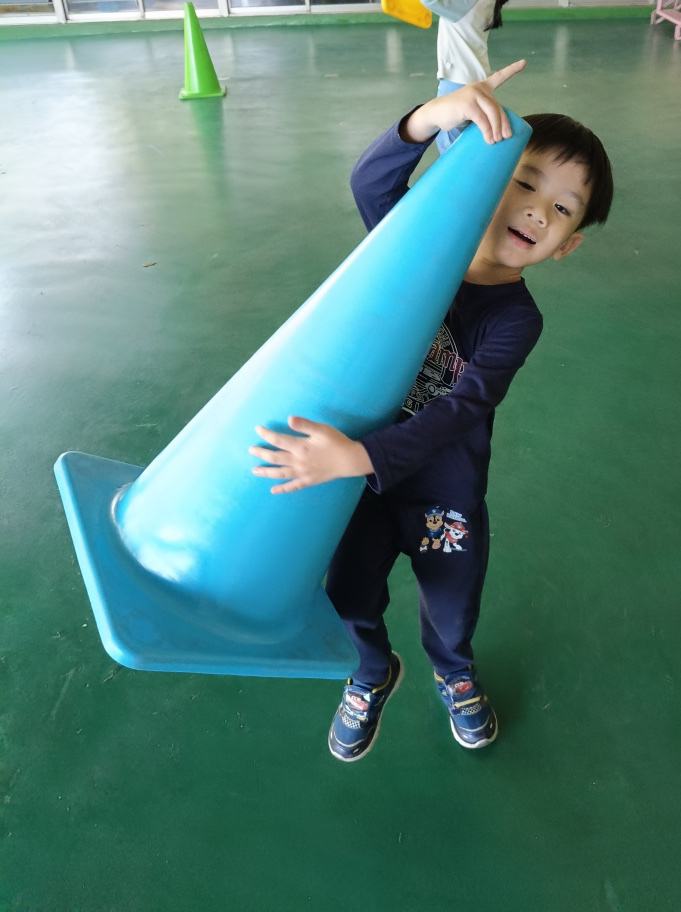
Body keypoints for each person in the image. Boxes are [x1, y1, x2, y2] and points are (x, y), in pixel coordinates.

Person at [249, 59, 614, 762]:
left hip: (443, 492)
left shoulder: (516, 320)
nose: (538, 210)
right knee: (347, 594)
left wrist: (360, 455)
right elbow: (370, 184)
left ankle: (454, 672)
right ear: (482, 174)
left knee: (451, 606)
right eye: (525, 182)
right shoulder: (414, 245)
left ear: (566, 246)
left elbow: (463, 409)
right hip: (356, 484)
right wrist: (428, 118)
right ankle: (370, 670)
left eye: (563, 209)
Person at [412, 0, 512, 154]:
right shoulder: (486, 1)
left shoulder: (469, 0)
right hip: (473, 79)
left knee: (449, 145)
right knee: (460, 141)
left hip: (457, 82)